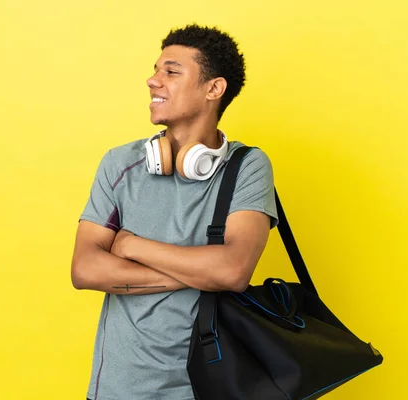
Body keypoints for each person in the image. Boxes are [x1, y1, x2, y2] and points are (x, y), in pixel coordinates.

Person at [71, 23, 278, 400]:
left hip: (204, 390)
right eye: (155, 70)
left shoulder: (247, 166)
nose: (152, 81)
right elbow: (84, 269)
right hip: (119, 389)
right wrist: (200, 272)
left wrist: (131, 246)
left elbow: (233, 271)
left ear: (213, 88)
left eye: (170, 71)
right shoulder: (120, 164)